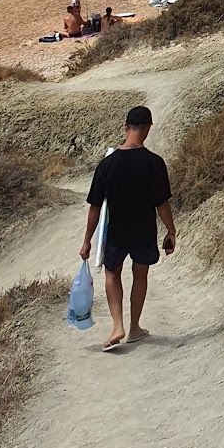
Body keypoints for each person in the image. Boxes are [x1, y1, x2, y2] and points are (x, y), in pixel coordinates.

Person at [81, 105, 176, 351]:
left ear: (126, 127)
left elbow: (94, 206)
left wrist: (87, 241)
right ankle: (134, 327)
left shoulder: (107, 164)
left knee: (113, 274)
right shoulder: (154, 162)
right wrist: (171, 231)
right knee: (140, 275)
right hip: (143, 230)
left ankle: (117, 326)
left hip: (115, 231)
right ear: (148, 129)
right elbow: (161, 204)